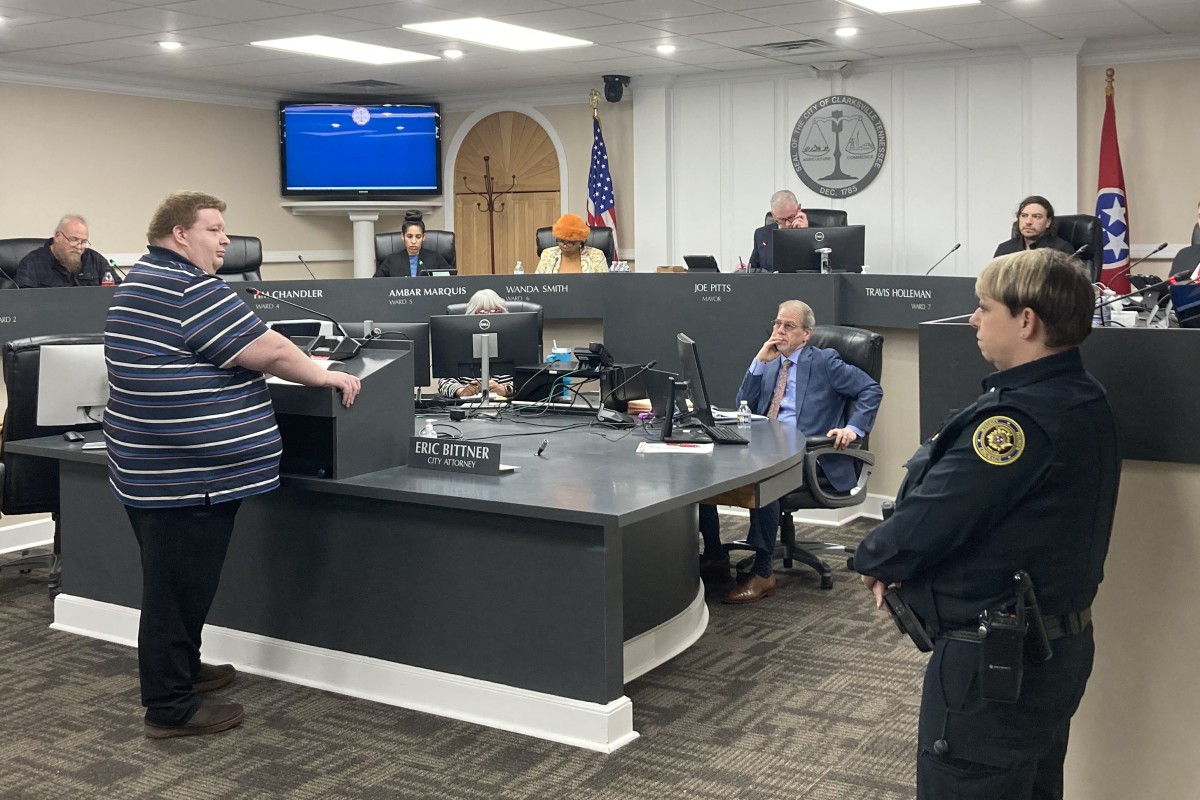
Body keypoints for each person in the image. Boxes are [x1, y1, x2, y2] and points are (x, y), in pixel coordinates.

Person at [854, 249, 1120, 799]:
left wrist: (876, 557)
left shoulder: (1017, 422)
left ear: (1027, 321)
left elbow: (930, 521)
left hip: (993, 663)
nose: (974, 319)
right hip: (1050, 648)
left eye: (984, 307)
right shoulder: (1081, 397)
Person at [104, 191, 362, 739]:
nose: (225, 240)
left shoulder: (140, 281)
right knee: (176, 591)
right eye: (215, 229)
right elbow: (267, 351)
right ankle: (169, 708)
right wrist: (323, 373)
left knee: (178, 585)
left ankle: (184, 671)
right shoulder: (189, 287)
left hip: (149, 468)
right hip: (186, 476)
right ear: (180, 234)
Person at [699, 299, 882, 603]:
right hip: (766, 446)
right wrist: (759, 362)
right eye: (776, 324)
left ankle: (762, 573)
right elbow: (744, 401)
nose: (779, 331)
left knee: (766, 480)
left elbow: (870, 389)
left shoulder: (825, 361)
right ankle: (716, 555)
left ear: (806, 334)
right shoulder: (772, 361)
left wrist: (853, 428)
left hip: (811, 455)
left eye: (788, 326)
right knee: (704, 469)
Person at [437, 288, 515, 399]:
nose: (488, 318)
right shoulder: (458, 344)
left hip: (508, 408)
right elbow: (444, 382)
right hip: (466, 407)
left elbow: (527, 381)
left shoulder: (514, 343)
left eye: (495, 311)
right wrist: (461, 391)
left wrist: (505, 389)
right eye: (481, 312)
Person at [16, 214, 113, 288]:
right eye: (74, 240)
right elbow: (23, 303)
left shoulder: (96, 261)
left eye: (83, 242)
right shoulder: (32, 264)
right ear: (58, 236)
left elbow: (118, 294)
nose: (79, 247)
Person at [374, 210, 452, 277]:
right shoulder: (391, 260)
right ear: (402, 236)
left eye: (418, 237)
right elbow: (375, 284)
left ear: (423, 237)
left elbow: (450, 282)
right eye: (409, 236)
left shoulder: (435, 258)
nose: (414, 241)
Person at [746, 190, 809, 273]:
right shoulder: (761, 234)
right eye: (782, 220)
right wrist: (743, 269)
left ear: (799, 209)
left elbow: (823, 269)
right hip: (771, 284)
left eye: (791, 217)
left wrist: (806, 233)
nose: (787, 224)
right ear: (773, 215)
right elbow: (754, 268)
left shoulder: (819, 232)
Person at [993, 196, 1074, 258]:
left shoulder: (1061, 251)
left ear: (1048, 222)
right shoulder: (1005, 249)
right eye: (1024, 216)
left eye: (1036, 216)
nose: (1028, 222)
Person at [535, 214, 609, 274]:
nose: (564, 245)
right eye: (561, 240)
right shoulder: (548, 254)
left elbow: (603, 283)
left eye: (570, 242)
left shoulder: (596, 255)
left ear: (580, 241)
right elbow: (539, 282)